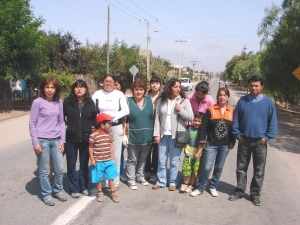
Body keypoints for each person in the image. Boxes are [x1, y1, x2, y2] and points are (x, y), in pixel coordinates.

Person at [229, 75, 278, 206]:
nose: (253, 88)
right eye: (251, 85)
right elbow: (236, 121)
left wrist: (267, 137)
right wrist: (237, 135)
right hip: (244, 140)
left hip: (260, 143)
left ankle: (255, 194)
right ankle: (239, 190)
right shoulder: (242, 102)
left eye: (256, 85)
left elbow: (272, 123)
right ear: (248, 86)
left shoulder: (268, 103)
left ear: (261, 86)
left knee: (259, 170)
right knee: (241, 168)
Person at [190, 87, 235, 197]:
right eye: (220, 95)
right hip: (211, 143)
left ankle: (213, 186)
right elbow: (204, 127)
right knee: (206, 167)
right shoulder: (211, 109)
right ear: (217, 97)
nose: (222, 97)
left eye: (224, 95)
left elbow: (234, 128)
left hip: (224, 145)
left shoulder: (232, 111)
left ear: (228, 97)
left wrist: (232, 141)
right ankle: (200, 187)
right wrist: (202, 141)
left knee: (219, 167)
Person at [29, 77, 66, 206]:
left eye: (52, 87)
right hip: (42, 140)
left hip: (56, 140)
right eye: (47, 87)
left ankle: (58, 190)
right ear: (43, 88)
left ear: (56, 89)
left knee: (59, 168)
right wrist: (35, 142)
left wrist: (62, 139)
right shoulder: (37, 102)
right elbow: (32, 123)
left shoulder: (59, 102)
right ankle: (47, 194)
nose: (50, 90)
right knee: (44, 170)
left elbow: (61, 122)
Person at [152, 79, 194, 191]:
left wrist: (180, 110)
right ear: (169, 87)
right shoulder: (161, 100)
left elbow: (191, 117)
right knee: (161, 160)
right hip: (163, 135)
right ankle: (161, 181)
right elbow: (157, 118)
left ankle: (172, 182)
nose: (178, 89)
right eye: (175, 87)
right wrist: (156, 134)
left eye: (179, 87)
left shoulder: (184, 101)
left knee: (174, 161)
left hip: (176, 137)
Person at [92, 74, 129, 191]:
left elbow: (125, 110)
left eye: (111, 81)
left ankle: (115, 182)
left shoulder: (119, 94)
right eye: (106, 81)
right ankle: (103, 183)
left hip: (116, 126)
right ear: (103, 82)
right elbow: (92, 110)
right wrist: (102, 119)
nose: (108, 83)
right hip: (101, 128)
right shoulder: (97, 94)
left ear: (114, 83)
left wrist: (111, 118)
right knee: (101, 156)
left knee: (115, 156)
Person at [63, 80, 96, 198]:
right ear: (73, 89)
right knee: (71, 164)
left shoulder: (90, 102)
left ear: (85, 89)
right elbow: (60, 116)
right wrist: (65, 124)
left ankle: (83, 186)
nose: (79, 89)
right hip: (71, 138)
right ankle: (73, 188)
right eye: (76, 87)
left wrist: (93, 126)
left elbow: (94, 117)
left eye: (81, 87)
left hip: (86, 138)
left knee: (83, 164)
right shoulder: (67, 102)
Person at [122, 78, 154, 190]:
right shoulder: (128, 101)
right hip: (133, 135)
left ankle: (140, 176)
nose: (138, 92)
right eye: (136, 89)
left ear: (144, 90)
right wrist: (124, 134)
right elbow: (124, 119)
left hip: (147, 134)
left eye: (141, 89)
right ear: (133, 90)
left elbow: (153, 118)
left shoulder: (149, 101)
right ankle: (131, 179)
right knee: (132, 159)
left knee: (143, 158)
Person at [88, 113, 120, 203]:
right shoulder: (93, 135)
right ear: (102, 125)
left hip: (108, 160)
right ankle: (100, 192)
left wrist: (112, 158)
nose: (110, 125)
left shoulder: (109, 135)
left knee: (111, 177)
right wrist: (92, 159)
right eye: (109, 123)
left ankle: (113, 193)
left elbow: (111, 146)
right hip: (98, 161)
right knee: (98, 178)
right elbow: (90, 147)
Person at [180, 112, 204, 193]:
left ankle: (191, 185)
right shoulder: (189, 128)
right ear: (192, 120)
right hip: (188, 153)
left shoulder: (203, 131)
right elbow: (185, 139)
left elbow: (202, 143)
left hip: (198, 154)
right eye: (195, 120)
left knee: (195, 170)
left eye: (199, 121)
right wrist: (184, 149)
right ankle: (185, 184)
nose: (197, 123)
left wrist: (198, 153)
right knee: (186, 169)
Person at [144, 76, 162, 183]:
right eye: (153, 83)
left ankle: (154, 172)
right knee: (146, 150)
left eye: (157, 83)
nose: (154, 85)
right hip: (147, 127)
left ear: (160, 85)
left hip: (158, 128)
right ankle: (146, 170)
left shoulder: (162, 97)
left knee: (156, 152)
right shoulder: (146, 96)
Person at [114, 75, 128, 182]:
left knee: (120, 152)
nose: (114, 86)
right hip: (110, 127)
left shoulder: (125, 98)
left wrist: (124, 133)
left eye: (116, 84)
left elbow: (125, 117)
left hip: (122, 127)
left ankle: (121, 173)